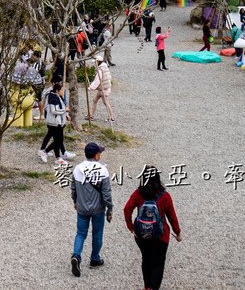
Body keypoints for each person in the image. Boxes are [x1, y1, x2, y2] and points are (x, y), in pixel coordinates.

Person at [124, 166, 182, 290]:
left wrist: (131, 227)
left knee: (146, 259)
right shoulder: (165, 195)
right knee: (158, 264)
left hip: (141, 235)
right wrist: (177, 232)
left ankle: (147, 287)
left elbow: (127, 209)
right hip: (160, 235)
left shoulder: (138, 193)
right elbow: (172, 216)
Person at [70, 142, 114, 276]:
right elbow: (106, 193)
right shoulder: (102, 170)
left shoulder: (77, 169)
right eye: (99, 153)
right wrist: (110, 209)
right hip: (98, 209)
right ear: (96, 155)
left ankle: (76, 256)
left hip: (82, 208)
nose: (100, 155)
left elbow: (73, 188)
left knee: (81, 233)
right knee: (97, 233)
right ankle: (95, 258)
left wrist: (75, 201)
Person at [39, 82, 75, 164]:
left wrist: (66, 115)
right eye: (62, 90)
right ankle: (46, 152)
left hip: (58, 122)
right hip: (54, 123)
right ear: (57, 90)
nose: (63, 91)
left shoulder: (58, 97)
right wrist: (64, 111)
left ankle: (58, 157)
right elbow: (53, 111)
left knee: (58, 140)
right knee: (58, 140)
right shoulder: (53, 98)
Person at [89, 54, 115, 122]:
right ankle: (92, 115)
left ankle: (111, 117)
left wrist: (91, 87)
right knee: (95, 100)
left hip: (104, 89)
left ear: (98, 62)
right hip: (103, 88)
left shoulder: (100, 70)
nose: (94, 63)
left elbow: (97, 81)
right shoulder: (105, 68)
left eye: (95, 62)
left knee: (106, 102)